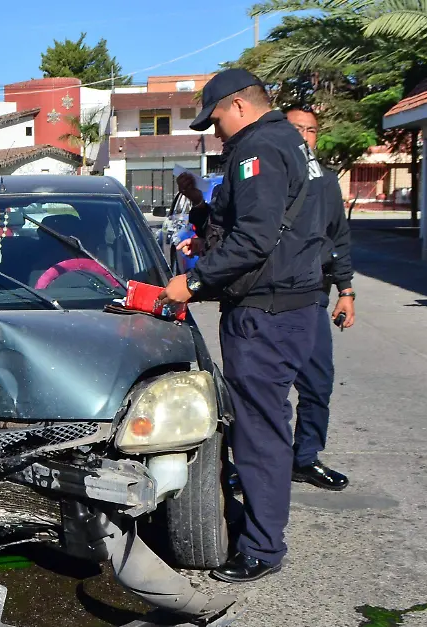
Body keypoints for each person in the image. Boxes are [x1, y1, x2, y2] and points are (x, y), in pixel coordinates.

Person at [160, 69, 326, 583]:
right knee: (261, 425)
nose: (216, 133)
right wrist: (205, 229)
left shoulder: (259, 151)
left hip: (266, 314)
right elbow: (266, 229)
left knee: (258, 433)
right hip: (287, 307)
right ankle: (261, 529)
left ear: (237, 106)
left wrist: (193, 281)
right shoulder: (288, 144)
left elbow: (255, 238)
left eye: (215, 121)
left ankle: (261, 547)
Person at [283, 107, 354, 491]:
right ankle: (254, 464)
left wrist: (346, 291)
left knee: (317, 384)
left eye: (311, 131)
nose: (305, 137)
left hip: (312, 299)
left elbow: (338, 238)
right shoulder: (267, 177)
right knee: (266, 392)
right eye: (297, 129)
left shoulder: (326, 183)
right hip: (266, 300)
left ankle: (305, 458)